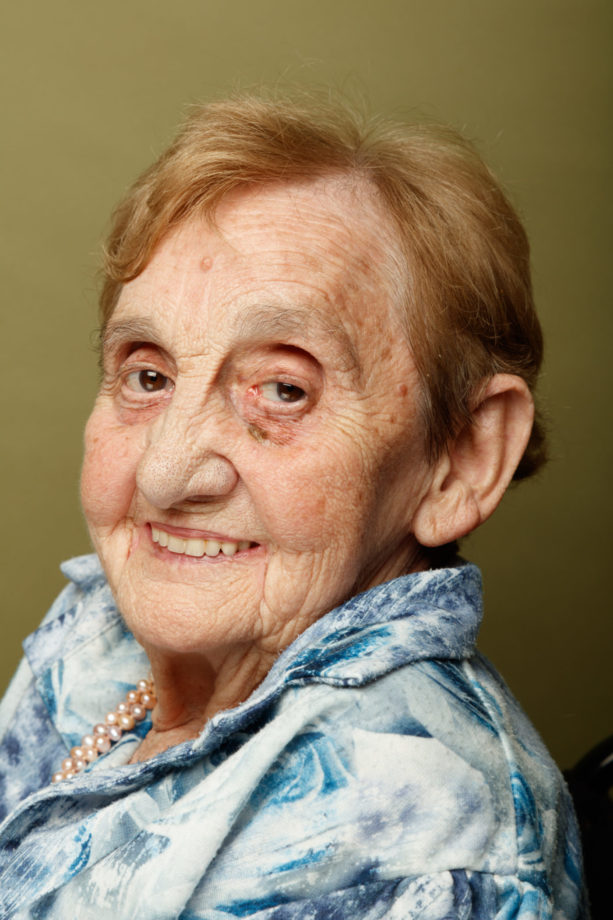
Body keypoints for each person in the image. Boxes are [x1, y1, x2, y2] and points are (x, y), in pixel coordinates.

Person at [0, 92, 587, 918]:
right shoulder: (104, 622)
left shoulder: (418, 849)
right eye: (148, 375)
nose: (164, 474)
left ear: (461, 459)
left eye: (283, 389)